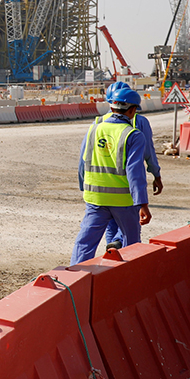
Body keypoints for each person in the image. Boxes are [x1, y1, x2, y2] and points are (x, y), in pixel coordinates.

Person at [71, 87, 151, 264]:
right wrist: (142, 204)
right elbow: (135, 172)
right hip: (123, 202)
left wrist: (84, 188)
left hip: (95, 199)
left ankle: (74, 279)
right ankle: (128, 281)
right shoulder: (133, 135)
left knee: (85, 243)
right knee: (131, 246)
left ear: (112, 107)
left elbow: (83, 162)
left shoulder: (94, 129)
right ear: (132, 111)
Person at [98, 81, 162, 250]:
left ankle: (112, 258)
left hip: (103, 185)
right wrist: (156, 174)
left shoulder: (99, 122)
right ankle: (122, 249)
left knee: (110, 224)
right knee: (130, 225)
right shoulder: (139, 122)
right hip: (127, 184)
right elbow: (149, 151)